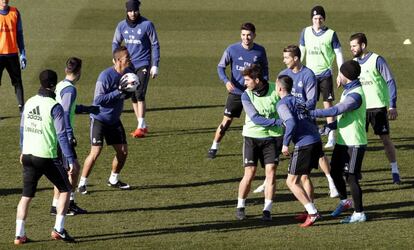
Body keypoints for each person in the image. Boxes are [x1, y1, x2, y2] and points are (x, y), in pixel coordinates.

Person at [253, 45, 339, 198]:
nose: (284, 60)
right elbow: (277, 96)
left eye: (286, 57)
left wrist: (295, 112)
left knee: (317, 155)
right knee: (278, 149)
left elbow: (311, 102)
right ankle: (268, 181)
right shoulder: (283, 74)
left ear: (296, 58)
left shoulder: (308, 75)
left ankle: (331, 182)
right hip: (288, 120)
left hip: (304, 122)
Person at [15, 70, 75, 245]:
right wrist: (69, 158)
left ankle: (19, 235)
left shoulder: (29, 102)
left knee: (26, 195)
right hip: (46, 156)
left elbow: (21, 129)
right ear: (54, 85)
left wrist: (22, 149)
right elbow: (62, 135)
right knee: (65, 189)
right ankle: (59, 229)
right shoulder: (54, 106)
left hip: (28, 155)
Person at [306, 60, 367, 223]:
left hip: (355, 143)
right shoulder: (348, 90)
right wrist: (330, 126)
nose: (338, 75)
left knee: (351, 177)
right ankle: (345, 201)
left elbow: (338, 109)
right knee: (334, 172)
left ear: (345, 75)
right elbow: (345, 117)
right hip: (343, 141)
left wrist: (313, 113)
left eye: (340, 73)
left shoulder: (356, 95)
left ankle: (359, 213)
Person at [207, 22, 269, 159]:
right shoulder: (232, 49)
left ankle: (265, 149)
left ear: (254, 35)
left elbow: (265, 69)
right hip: (236, 92)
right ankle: (214, 146)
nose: (245, 38)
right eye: (243, 35)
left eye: (248, 35)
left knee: (259, 119)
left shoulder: (260, 51)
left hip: (254, 93)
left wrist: (264, 85)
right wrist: (226, 81)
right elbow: (220, 67)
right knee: (226, 122)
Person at [77, 46, 133, 194]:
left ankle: (113, 179)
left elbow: (125, 95)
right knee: (96, 152)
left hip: (114, 120)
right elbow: (99, 99)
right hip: (99, 118)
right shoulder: (105, 76)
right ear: (119, 60)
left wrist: (129, 91)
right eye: (128, 57)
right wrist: (119, 91)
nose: (130, 59)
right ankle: (82, 183)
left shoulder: (128, 73)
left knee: (123, 152)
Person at [349, 33, 401, 184]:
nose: (352, 48)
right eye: (351, 46)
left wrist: (392, 105)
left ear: (363, 46)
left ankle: (394, 170)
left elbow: (390, 81)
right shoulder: (353, 63)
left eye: (354, 46)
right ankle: (356, 171)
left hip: (377, 107)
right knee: (357, 141)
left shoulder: (376, 60)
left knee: (385, 139)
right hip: (360, 108)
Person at [50, 57, 99, 215]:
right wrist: (70, 135)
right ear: (79, 72)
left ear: (66, 70)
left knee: (63, 170)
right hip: (62, 135)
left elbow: (69, 108)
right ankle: (68, 203)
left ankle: (55, 205)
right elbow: (64, 112)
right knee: (74, 168)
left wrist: (88, 109)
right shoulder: (70, 89)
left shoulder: (61, 85)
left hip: (55, 134)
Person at [235, 64, 283, 221]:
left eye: (247, 80)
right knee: (249, 174)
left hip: (272, 138)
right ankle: (240, 206)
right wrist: (278, 122)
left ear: (257, 80)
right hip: (251, 137)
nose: (245, 83)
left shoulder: (275, 90)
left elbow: (286, 105)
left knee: (271, 173)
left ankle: (267, 210)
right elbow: (255, 118)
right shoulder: (246, 95)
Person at [276, 75, 322, 227]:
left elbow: (290, 122)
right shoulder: (299, 100)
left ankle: (313, 212)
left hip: (304, 144)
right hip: (315, 140)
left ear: (280, 88)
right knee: (304, 177)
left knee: (291, 181)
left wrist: (285, 143)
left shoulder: (282, 104)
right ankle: (309, 208)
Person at [112, 0, 160, 138]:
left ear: (138, 10)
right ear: (126, 11)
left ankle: (140, 126)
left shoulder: (147, 25)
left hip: (143, 63)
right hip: (128, 65)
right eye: (130, 11)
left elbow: (155, 44)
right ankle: (142, 125)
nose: (132, 13)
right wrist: (116, 58)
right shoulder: (121, 26)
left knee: (140, 92)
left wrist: (155, 64)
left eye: (135, 10)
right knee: (131, 94)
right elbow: (116, 42)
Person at [299, 5, 344, 148]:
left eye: (320, 18)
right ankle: (310, 133)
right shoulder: (305, 32)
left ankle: (331, 135)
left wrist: (340, 73)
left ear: (324, 19)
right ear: (311, 19)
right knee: (308, 104)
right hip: (309, 75)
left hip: (325, 74)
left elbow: (338, 53)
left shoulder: (331, 34)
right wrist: (297, 72)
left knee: (328, 105)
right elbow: (301, 52)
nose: (317, 21)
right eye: (315, 18)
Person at [0, 0, 26, 113]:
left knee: (17, 82)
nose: (4, 2)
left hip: (12, 54)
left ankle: (22, 108)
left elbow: (19, 34)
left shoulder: (15, 12)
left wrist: (23, 54)